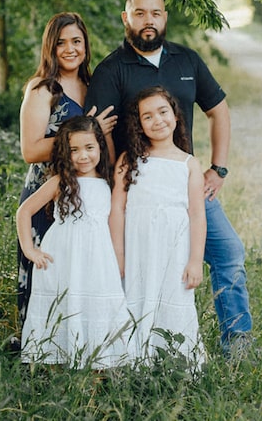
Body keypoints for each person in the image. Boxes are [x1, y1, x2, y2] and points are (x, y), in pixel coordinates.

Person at [84, 0, 259, 358]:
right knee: (141, 273)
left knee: (228, 253)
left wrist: (218, 169)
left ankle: (238, 346)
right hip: (138, 192)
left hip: (187, 184)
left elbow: (219, 111)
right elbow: (98, 133)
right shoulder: (111, 70)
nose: (149, 21)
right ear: (126, 18)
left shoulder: (187, 60)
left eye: (156, 13)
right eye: (140, 13)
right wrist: (120, 179)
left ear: (165, 16)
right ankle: (137, 350)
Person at [17, 12, 115, 331]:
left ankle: (77, 347)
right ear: (50, 47)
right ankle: (33, 352)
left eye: (76, 41)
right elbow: (30, 150)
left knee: (79, 275)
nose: (70, 49)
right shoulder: (42, 88)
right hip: (47, 190)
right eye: (61, 43)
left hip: (85, 193)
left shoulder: (93, 86)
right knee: (43, 272)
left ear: (86, 44)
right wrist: (87, 133)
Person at [18, 115, 132, 369]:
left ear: (100, 147)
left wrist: (118, 259)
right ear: (64, 152)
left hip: (97, 258)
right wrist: (29, 249)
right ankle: (56, 367)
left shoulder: (108, 182)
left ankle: (97, 367)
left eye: (89, 148)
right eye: (74, 150)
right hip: (62, 257)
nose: (83, 156)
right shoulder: (60, 181)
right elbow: (24, 211)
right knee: (63, 305)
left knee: (95, 304)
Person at [110, 86, 206, 368]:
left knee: (173, 299)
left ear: (175, 116)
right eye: (147, 116)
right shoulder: (129, 160)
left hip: (174, 249)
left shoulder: (189, 164)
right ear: (139, 124)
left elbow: (198, 215)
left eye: (163, 112)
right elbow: (117, 207)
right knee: (135, 298)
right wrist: (118, 253)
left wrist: (195, 261)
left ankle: (176, 365)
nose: (157, 120)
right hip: (137, 247)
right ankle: (132, 363)